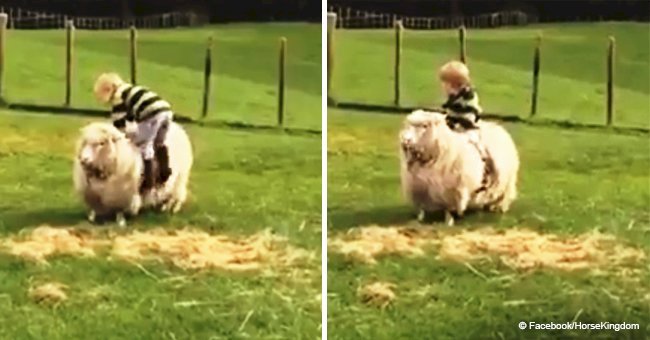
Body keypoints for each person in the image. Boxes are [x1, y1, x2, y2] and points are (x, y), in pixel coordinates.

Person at [93, 73, 172, 192]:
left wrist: (122, 136)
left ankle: (148, 183)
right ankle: (164, 172)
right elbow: (131, 115)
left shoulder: (118, 96)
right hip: (166, 111)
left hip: (151, 114)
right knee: (159, 142)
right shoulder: (131, 90)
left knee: (144, 145)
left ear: (110, 89)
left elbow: (119, 124)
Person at [439, 60, 482, 131]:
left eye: (446, 83)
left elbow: (464, 106)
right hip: (455, 115)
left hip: (465, 116)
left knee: (460, 125)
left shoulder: (466, 94)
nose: (443, 86)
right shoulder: (455, 94)